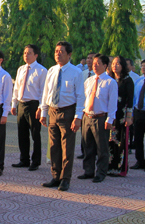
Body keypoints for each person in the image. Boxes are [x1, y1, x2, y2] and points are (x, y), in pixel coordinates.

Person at [40, 41, 85, 192]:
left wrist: (78, 117)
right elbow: (46, 93)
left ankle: (65, 179)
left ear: (69, 54)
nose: (58, 54)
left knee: (67, 147)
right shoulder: (51, 71)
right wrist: (44, 111)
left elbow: (80, 95)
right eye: (56, 51)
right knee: (54, 146)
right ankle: (55, 176)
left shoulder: (76, 72)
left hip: (68, 112)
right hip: (52, 110)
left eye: (61, 51)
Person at [78, 54, 117, 183]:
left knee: (102, 147)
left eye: (98, 63)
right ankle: (88, 171)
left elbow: (112, 103)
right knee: (87, 146)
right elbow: (83, 99)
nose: (94, 65)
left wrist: (110, 119)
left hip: (101, 117)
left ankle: (101, 172)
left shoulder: (110, 82)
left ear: (105, 66)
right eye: (93, 63)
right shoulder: (88, 81)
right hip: (87, 116)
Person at [11, 45, 47, 171]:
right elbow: (16, 88)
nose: (26, 55)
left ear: (36, 55)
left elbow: (44, 91)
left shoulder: (42, 71)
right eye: (25, 53)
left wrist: (41, 108)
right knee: (22, 133)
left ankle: (35, 161)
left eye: (29, 53)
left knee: (35, 134)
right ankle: (24, 159)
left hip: (34, 105)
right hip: (21, 104)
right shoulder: (21, 69)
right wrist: (14, 104)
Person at [108, 56, 134, 177]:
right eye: (113, 63)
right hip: (111, 116)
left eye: (118, 63)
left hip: (122, 116)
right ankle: (109, 165)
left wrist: (129, 116)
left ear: (123, 65)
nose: (115, 65)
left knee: (121, 141)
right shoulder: (110, 79)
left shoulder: (128, 81)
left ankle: (120, 168)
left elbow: (130, 100)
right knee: (110, 141)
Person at [78, 52, 96, 159]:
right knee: (84, 132)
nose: (89, 60)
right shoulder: (83, 73)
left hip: (94, 109)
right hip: (83, 107)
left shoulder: (97, 75)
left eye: (92, 58)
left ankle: (94, 152)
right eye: (88, 58)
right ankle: (84, 151)